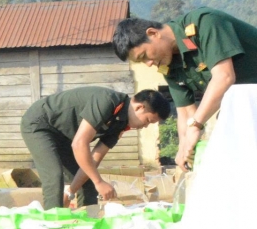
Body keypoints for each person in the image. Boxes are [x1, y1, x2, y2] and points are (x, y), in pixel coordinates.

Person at [113, 8, 257, 170]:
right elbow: (186, 111)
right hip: (246, 104)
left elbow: (224, 77)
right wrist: (184, 148)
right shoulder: (168, 65)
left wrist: (196, 126)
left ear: (153, 33)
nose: (149, 64)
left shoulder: (205, 23)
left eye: (144, 56)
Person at [20, 87, 169, 209]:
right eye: (148, 120)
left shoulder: (121, 125)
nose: (145, 126)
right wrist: (100, 182)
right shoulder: (107, 101)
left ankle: (87, 225)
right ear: (139, 107)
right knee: (54, 176)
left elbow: (94, 158)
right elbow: (79, 144)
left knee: (89, 182)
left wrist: (71, 192)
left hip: (64, 136)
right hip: (40, 124)